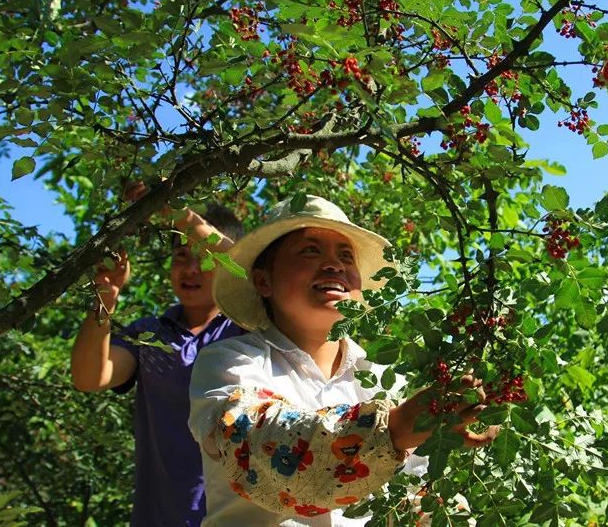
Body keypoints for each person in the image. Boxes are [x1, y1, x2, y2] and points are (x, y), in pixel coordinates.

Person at [188, 195, 496, 525]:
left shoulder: (382, 380)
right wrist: (392, 430)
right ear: (264, 280)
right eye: (311, 250)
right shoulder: (231, 363)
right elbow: (257, 441)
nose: (335, 265)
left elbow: (414, 498)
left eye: (346, 256)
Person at [71, 198, 247, 527]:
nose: (191, 269)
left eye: (204, 258)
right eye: (181, 256)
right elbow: (89, 377)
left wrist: (174, 211)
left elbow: (249, 269)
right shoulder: (148, 333)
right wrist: (104, 300)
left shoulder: (247, 327)